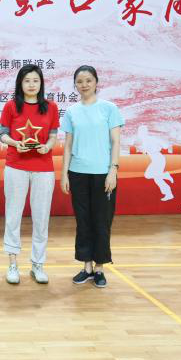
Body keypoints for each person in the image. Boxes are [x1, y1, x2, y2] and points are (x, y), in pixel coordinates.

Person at [59, 65, 124, 289]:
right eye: (79, 81)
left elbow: (116, 141)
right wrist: (64, 174)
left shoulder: (109, 109)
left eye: (88, 80)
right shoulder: (71, 112)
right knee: (83, 221)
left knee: (102, 221)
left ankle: (99, 268)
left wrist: (113, 170)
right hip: (77, 173)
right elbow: (68, 146)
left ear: (96, 82)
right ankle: (86, 266)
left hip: (103, 174)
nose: (84, 85)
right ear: (75, 85)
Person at [0, 65, 59, 285]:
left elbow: (53, 135)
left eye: (35, 80)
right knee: (13, 215)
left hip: (43, 168)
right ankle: (13, 264)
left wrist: (47, 147)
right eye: (27, 81)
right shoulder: (11, 106)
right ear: (20, 84)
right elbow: (3, 135)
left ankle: (38, 264)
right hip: (16, 166)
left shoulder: (50, 107)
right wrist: (16, 143)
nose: (31, 85)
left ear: (41, 83)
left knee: (41, 217)